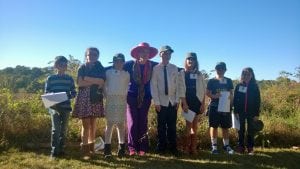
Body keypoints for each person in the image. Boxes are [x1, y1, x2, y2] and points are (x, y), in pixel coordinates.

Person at [123, 42, 158, 156]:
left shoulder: (153, 65)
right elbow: (114, 67)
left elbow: (169, 68)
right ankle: (132, 148)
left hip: (146, 98)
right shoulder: (129, 64)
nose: (145, 53)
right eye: (142, 51)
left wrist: (183, 70)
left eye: (147, 51)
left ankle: (143, 147)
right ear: (137, 53)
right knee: (132, 122)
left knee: (142, 122)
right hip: (131, 97)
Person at [72, 47, 106, 160]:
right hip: (84, 98)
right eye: (90, 54)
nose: (92, 56)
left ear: (98, 56)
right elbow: (80, 83)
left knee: (93, 124)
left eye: (95, 54)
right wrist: (94, 81)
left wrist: (87, 78)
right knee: (86, 125)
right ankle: (85, 149)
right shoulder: (82, 67)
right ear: (86, 55)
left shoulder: (100, 67)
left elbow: (102, 82)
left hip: (95, 97)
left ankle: (92, 148)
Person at [151, 45, 182, 156]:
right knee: (161, 126)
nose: (167, 55)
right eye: (165, 53)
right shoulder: (155, 68)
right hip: (161, 102)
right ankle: (161, 147)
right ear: (160, 54)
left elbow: (177, 85)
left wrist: (177, 100)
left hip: (172, 101)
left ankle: (173, 147)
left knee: (172, 126)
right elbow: (153, 86)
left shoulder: (174, 68)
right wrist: (156, 102)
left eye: (169, 53)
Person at [45, 56, 76, 159]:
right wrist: (54, 97)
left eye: (65, 64)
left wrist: (64, 96)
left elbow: (74, 93)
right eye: (61, 64)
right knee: (55, 130)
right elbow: (47, 92)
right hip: (54, 107)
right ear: (56, 65)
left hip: (66, 107)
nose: (64, 66)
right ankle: (54, 151)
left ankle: (61, 150)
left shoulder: (69, 78)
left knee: (63, 130)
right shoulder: (50, 78)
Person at [178, 52, 206, 155]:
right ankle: (186, 148)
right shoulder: (182, 73)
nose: (190, 61)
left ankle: (193, 148)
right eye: (188, 59)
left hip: (197, 103)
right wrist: (184, 103)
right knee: (188, 126)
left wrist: (203, 104)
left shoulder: (199, 74)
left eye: (192, 59)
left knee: (195, 127)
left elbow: (203, 90)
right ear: (185, 61)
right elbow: (181, 89)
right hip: (187, 103)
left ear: (195, 61)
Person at [103, 53, 130, 158]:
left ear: (123, 62)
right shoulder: (108, 73)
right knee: (109, 125)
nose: (119, 63)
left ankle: (121, 149)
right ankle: (107, 150)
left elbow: (127, 86)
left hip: (122, 100)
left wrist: (124, 97)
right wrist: (107, 96)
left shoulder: (127, 74)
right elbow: (104, 86)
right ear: (113, 62)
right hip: (110, 99)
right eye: (116, 61)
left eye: (121, 61)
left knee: (121, 125)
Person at [206, 62, 234, 154]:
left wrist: (230, 101)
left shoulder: (229, 81)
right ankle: (214, 147)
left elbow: (231, 93)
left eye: (222, 68)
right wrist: (215, 96)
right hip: (214, 106)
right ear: (216, 69)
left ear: (225, 70)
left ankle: (226, 146)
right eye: (218, 68)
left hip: (226, 107)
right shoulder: (211, 81)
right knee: (213, 126)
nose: (220, 70)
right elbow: (208, 93)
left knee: (225, 127)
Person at [233, 67, 261, 155]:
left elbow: (258, 100)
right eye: (244, 74)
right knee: (240, 130)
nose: (246, 76)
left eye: (248, 74)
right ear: (242, 76)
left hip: (252, 113)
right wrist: (236, 111)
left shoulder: (255, 86)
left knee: (251, 130)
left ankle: (250, 148)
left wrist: (257, 114)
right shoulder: (238, 86)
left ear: (252, 75)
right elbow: (235, 100)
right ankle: (241, 147)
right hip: (240, 112)